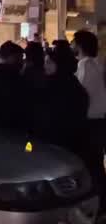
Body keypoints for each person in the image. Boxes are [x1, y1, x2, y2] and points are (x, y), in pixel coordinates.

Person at [30, 44, 88, 160]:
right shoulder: (72, 84)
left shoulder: (57, 86)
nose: (45, 66)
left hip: (57, 144)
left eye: (49, 62)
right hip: (69, 143)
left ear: (60, 64)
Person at [72, 30, 106, 197]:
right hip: (99, 120)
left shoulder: (85, 65)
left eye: (73, 42)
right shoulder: (97, 64)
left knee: (90, 165)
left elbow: (80, 93)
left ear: (79, 45)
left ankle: (95, 201)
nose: (71, 45)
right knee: (96, 163)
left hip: (89, 121)